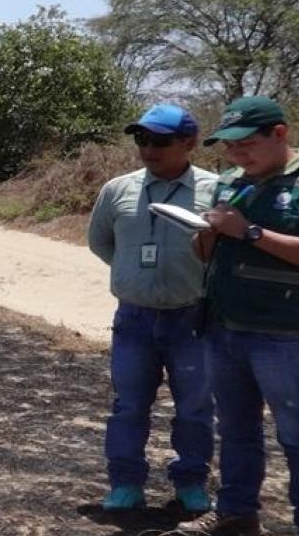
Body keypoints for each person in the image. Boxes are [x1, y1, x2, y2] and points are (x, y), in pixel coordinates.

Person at [87, 103, 218, 512]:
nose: (148, 148)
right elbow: (101, 242)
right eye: (141, 139)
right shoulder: (117, 189)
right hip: (134, 318)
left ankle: (190, 485)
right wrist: (133, 275)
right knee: (128, 405)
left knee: (195, 408)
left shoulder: (215, 190)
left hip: (192, 318)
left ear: (189, 143)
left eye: (160, 141)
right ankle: (125, 484)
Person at [181, 96, 299, 536]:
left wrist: (250, 232)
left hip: (284, 334)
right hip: (224, 327)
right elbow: (206, 255)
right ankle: (236, 515)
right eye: (229, 148)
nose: (237, 156)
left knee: (294, 434)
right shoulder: (228, 184)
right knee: (235, 429)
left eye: (246, 144)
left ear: (280, 134)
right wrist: (206, 235)